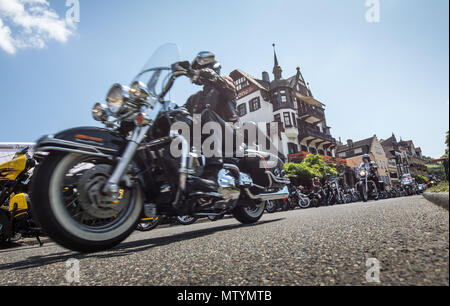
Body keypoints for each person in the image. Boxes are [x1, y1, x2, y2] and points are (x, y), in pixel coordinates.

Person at [183, 51, 239, 192]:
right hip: (204, 141)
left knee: (207, 114)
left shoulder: (224, 83)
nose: (198, 72)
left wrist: (215, 78)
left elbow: (230, 91)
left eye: (201, 68)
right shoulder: (194, 98)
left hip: (229, 134)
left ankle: (212, 175)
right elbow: (182, 114)